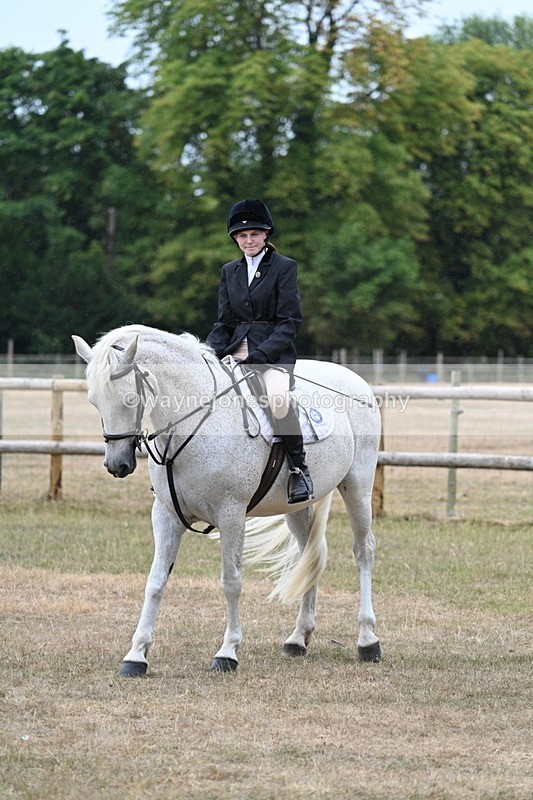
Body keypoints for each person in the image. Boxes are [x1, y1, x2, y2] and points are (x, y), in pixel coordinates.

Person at [206, 198, 314, 504]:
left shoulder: (284, 267)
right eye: (242, 236)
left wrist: (263, 354)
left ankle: (299, 470)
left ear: (265, 235)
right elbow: (225, 322)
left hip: (274, 353)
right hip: (235, 349)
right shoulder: (230, 271)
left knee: (276, 397)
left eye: (254, 234)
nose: (248, 240)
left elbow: (290, 322)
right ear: (235, 239)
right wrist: (206, 352)